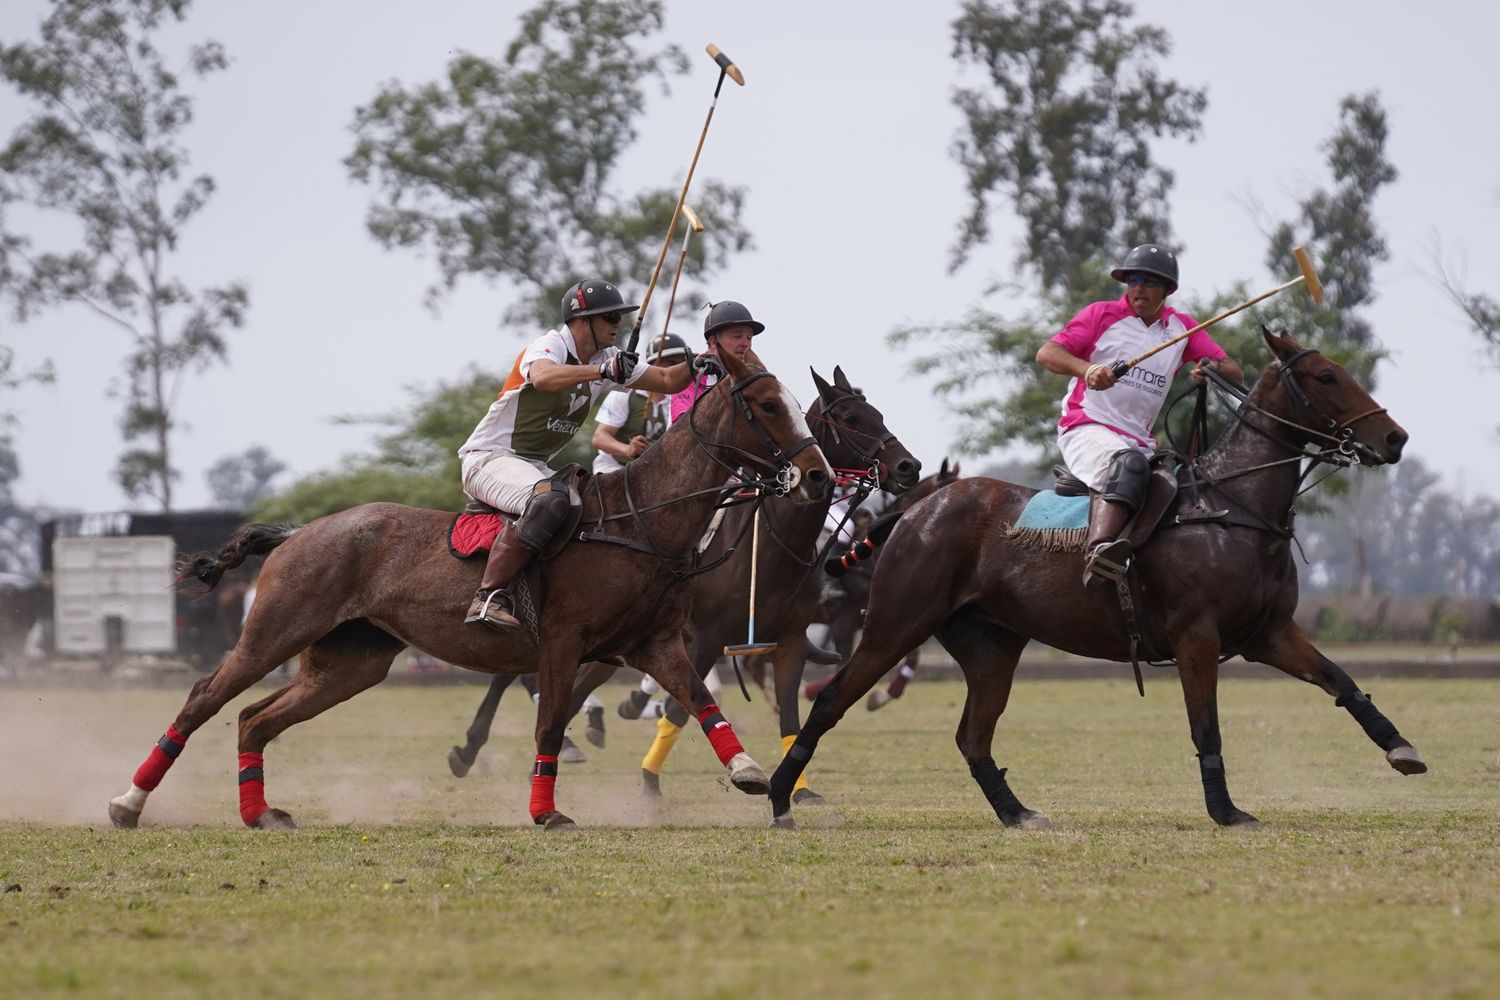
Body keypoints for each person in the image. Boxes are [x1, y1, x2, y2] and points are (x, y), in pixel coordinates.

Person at [458, 278, 696, 629]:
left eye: (620, 317)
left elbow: (667, 380)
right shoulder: (550, 345)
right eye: (611, 317)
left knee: (592, 510)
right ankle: (488, 597)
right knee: (550, 501)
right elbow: (542, 378)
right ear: (583, 320)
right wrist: (602, 371)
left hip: (534, 466)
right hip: (489, 458)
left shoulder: (609, 358)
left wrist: (705, 358)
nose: (619, 325)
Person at [1035, 244, 1244, 588]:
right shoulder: (1101, 315)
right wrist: (1088, 371)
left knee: (1185, 485)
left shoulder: (1183, 329)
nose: (1138, 288)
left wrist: (1210, 367)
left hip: (1139, 440)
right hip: (1087, 427)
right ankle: (1099, 554)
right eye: (1132, 279)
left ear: (1168, 290)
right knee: (1128, 464)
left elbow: (1232, 370)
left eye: (1149, 281)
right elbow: (1048, 353)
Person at [590, 332, 687, 475]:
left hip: (653, 474)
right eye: (671, 363)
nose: (678, 369)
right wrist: (627, 449)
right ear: (653, 365)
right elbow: (599, 438)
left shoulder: (679, 401)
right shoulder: (624, 394)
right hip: (615, 469)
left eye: (682, 364)